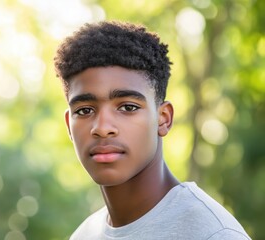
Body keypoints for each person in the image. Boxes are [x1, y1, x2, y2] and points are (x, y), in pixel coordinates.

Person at [54, 21, 250, 240]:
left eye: (128, 107)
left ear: (163, 119)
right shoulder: (83, 235)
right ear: (68, 126)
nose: (102, 128)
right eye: (84, 110)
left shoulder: (213, 234)